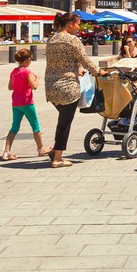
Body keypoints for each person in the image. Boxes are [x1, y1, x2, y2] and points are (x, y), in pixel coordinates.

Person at [44, 11, 106, 168]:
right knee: (65, 122)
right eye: (77, 24)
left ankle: (55, 152)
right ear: (70, 23)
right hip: (67, 87)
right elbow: (85, 60)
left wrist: (75, 68)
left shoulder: (52, 39)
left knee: (62, 119)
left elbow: (59, 61)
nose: (79, 27)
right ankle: (57, 158)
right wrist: (98, 72)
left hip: (51, 87)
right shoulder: (72, 40)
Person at [2, 49, 51, 161]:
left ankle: (6, 152)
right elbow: (34, 86)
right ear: (28, 59)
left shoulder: (14, 71)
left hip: (16, 103)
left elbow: (10, 87)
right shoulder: (27, 72)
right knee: (35, 126)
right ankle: (41, 148)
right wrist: (37, 78)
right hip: (27, 102)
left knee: (14, 128)